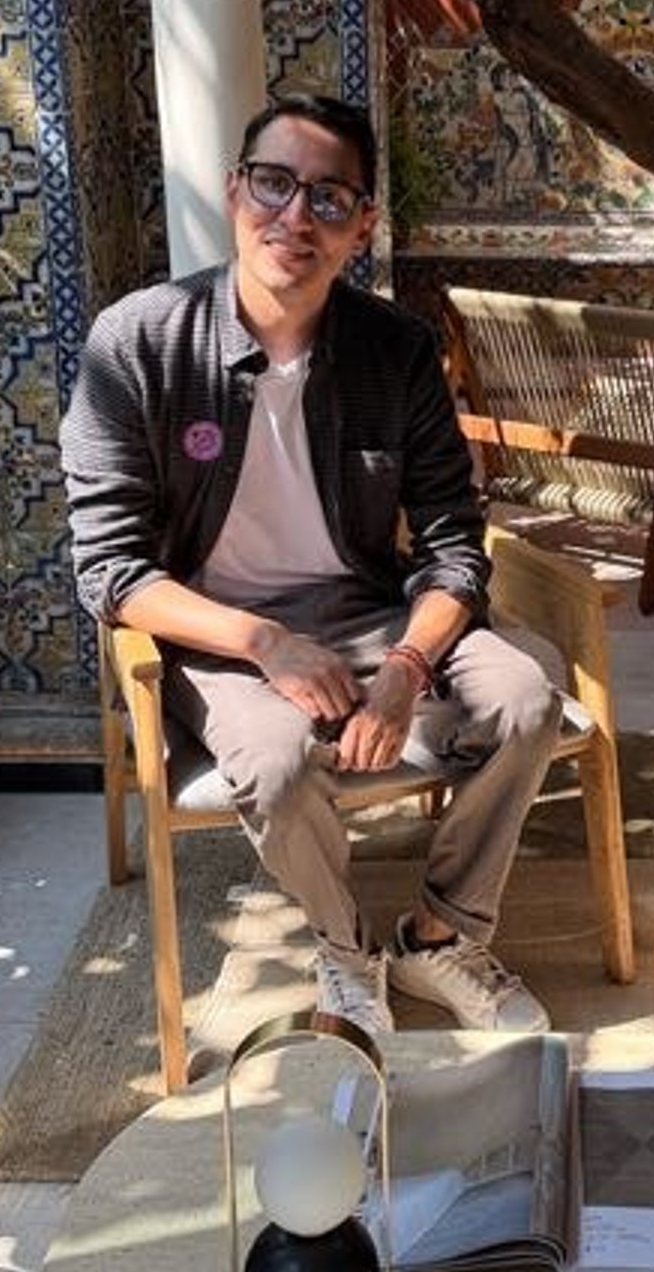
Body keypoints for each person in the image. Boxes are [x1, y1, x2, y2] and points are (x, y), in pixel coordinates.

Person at [60, 92, 561, 1040]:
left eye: (329, 198)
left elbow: (454, 542)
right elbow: (113, 571)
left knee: (525, 697)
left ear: (362, 224)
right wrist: (267, 643)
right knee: (280, 765)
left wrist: (407, 669)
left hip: (372, 613)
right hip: (217, 629)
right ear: (234, 192)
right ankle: (345, 945)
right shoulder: (137, 343)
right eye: (274, 185)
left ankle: (438, 935)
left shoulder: (397, 351)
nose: (295, 216)